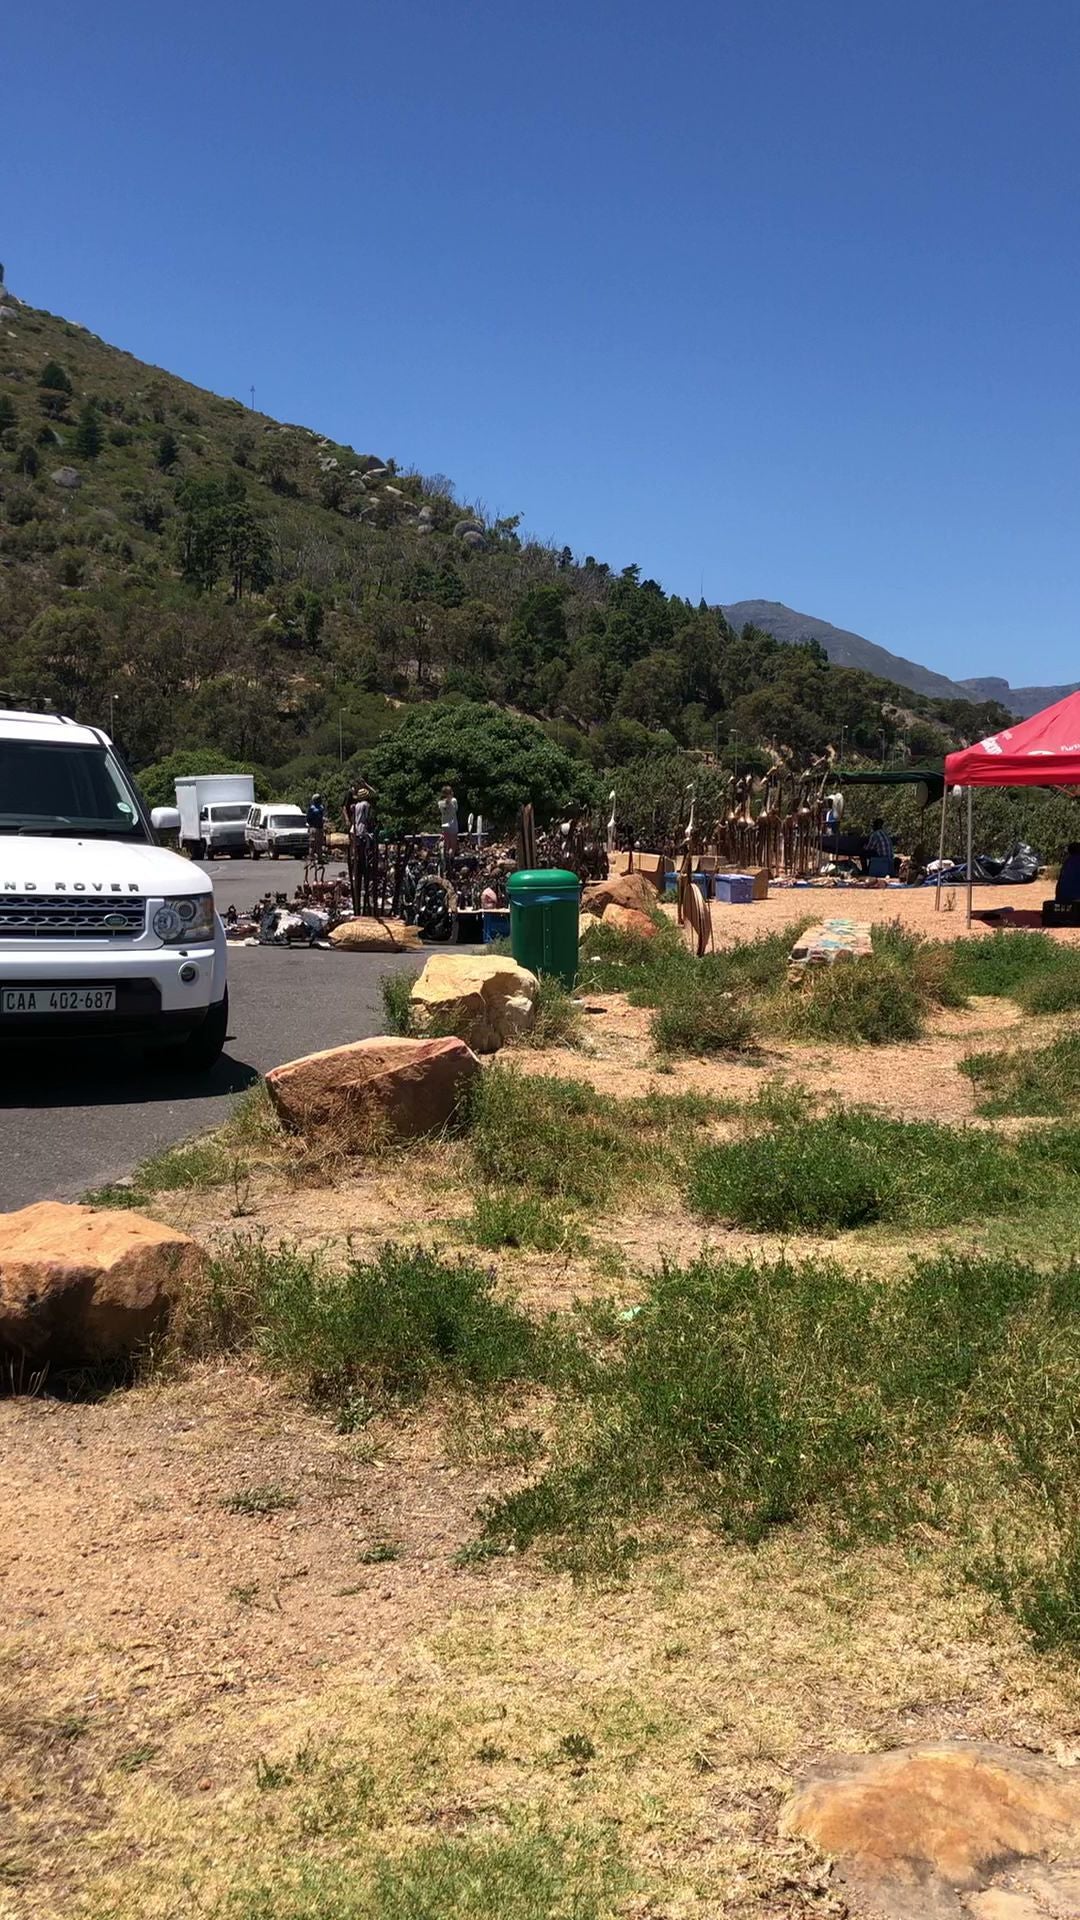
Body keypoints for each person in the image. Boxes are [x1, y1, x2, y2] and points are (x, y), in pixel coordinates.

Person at [438, 784, 459, 855]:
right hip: (453, 825)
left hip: (444, 824)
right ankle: (450, 862)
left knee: (446, 846)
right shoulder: (454, 801)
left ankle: (444, 858)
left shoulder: (440, 803)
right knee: (452, 847)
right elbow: (456, 809)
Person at [306, 791, 326, 865]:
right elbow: (308, 819)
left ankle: (319, 859)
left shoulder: (321, 808)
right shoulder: (312, 808)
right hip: (314, 828)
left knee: (319, 844)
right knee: (312, 843)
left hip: (319, 828)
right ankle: (311, 858)